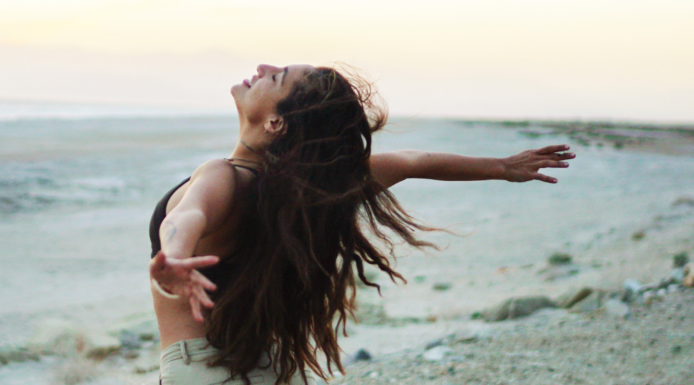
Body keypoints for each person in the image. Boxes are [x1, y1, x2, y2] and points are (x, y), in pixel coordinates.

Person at [149, 64, 574, 385]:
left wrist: (175, 257)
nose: (261, 69)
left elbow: (188, 214)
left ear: (275, 124)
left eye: (274, 77)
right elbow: (413, 162)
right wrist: (502, 166)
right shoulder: (307, 192)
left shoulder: (224, 175)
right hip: (271, 368)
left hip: (200, 369)